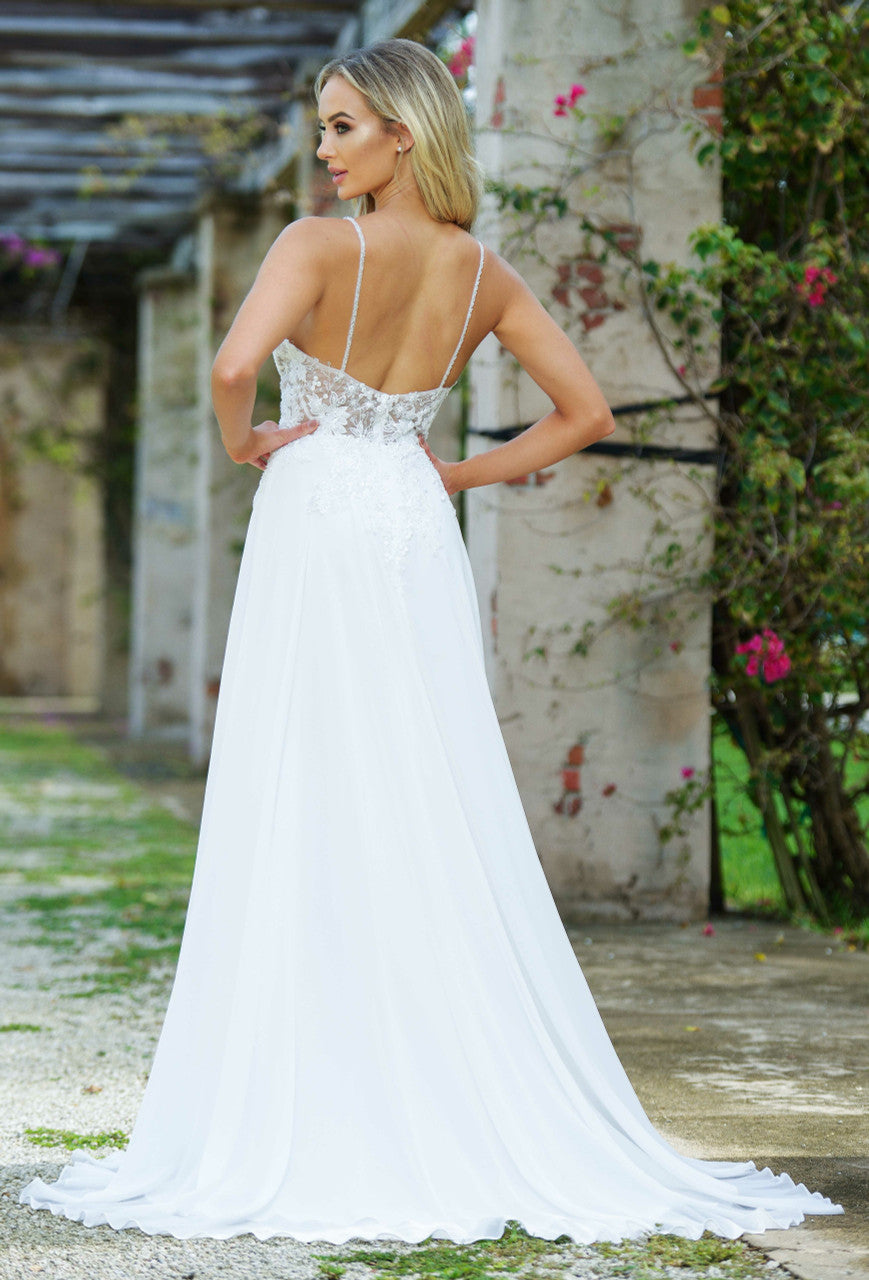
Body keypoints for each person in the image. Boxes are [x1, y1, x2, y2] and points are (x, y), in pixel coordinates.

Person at [19, 37, 842, 1247]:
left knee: (301, 777)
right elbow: (588, 415)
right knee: (422, 780)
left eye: (342, 126)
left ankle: (312, 1074)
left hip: (314, 510)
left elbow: (239, 365)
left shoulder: (313, 247)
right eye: (320, 127)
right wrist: (453, 469)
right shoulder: (479, 272)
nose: (323, 148)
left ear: (405, 132)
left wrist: (249, 443)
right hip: (407, 515)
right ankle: (436, 1060)